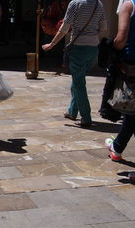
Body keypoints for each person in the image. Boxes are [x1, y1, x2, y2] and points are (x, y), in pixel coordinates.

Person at [42, 0, 106, 127]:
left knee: (79, 83)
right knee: (78, 80)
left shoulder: (75, 3)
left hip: (79, 49)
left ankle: (86, 117)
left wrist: (52, 44)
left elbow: (64, 28)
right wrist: (91, 37)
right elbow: (104, 29)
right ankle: (72, 111)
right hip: (93, 50)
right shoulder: (99, 4)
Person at [105, 0, 135, 167]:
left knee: (132, 110)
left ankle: (116, 148)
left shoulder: (129, 5)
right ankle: (116, 148)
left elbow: (121, 40)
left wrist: (113, 45)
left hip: (132, 67)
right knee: (131, 112)